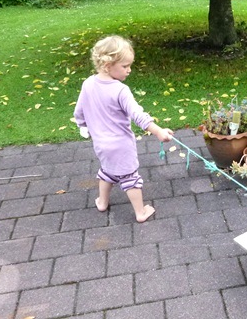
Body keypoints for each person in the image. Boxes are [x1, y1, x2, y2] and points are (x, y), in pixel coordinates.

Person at [74, 35, 174, 222]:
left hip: (101, 144)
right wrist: (158, 131)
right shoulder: (120, 90)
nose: (129, 70)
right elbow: (138, 114)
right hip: (121, 145)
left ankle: (102, 203)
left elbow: (79, 110)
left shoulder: (88, 83)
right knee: (130, 178)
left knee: (107, 171)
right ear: (107, 65)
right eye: (125, 66)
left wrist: (82, 125)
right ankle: (140, 212)